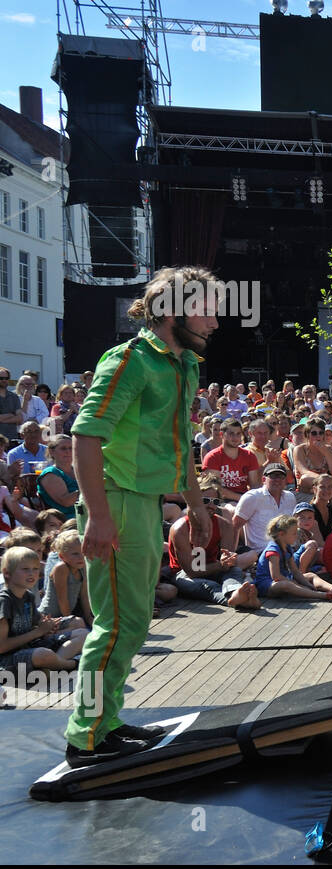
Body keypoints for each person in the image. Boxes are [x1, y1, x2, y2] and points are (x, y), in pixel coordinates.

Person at [64, 266, 219, 767]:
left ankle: (105, 722)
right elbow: (85, 436)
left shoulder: (182, 365)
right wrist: (99, 517)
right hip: (116, 501)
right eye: (206, 310)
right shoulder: (130, 359)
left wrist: (196, 505)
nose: (215, 322)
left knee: (132, 623)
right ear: (173, 313)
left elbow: (179, 447)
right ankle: (85, 734)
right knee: (113, 626)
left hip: (145, 501)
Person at [1, 546, 89, 678]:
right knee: (43, 654)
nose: (32, 573)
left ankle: (50, 667)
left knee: (83, 633)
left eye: (35, 569)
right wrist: (38, 632)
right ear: (7, 573)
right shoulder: (4, 601)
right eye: (25, 569)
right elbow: (2, 646)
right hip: (7, 660)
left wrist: (49, 626)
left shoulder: (28, 596)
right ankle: (70, 664)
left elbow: (38, 624)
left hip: (31, 646)